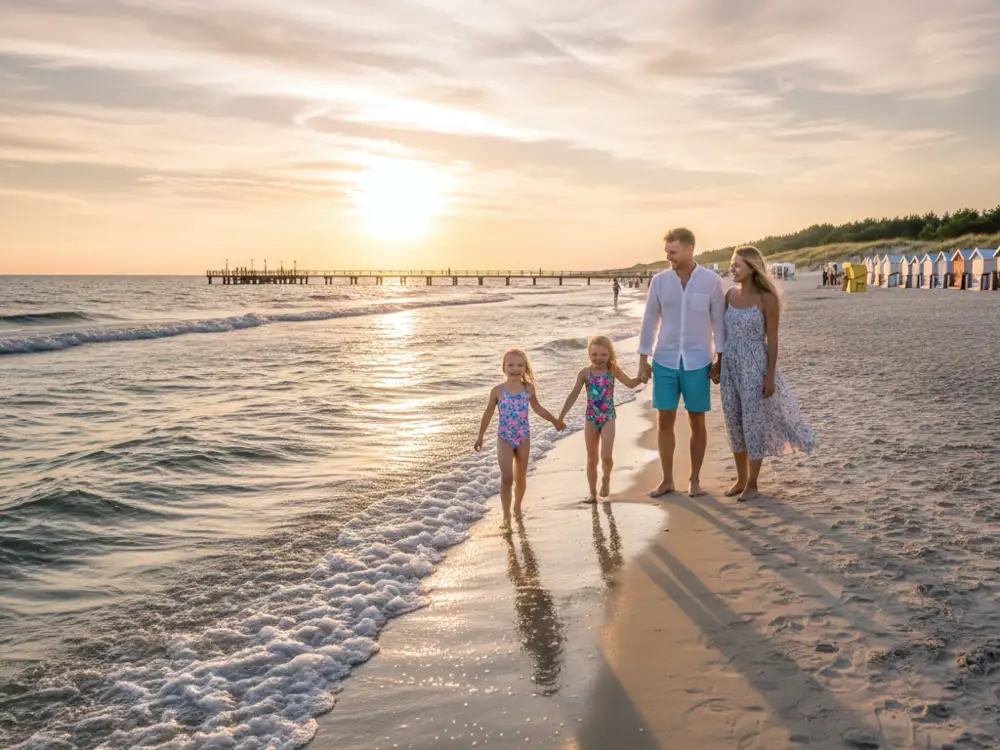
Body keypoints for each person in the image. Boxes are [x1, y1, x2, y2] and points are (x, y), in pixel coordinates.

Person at [714, 246, 817, 502]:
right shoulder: (728, 295)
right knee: (734, 422)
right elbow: (723, 335)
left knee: (752, 423)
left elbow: (773, 340)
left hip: (754, 365)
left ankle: (752, 482)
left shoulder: (766, 298)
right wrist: (718, 362)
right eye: (732, 264)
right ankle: (740, 478)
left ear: (752, 267)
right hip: (730, 367)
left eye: (737, 265)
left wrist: (769, 375)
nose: (732, 269)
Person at [639, 227, 725, 498]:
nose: (669, 257)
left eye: (673, 252)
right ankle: (666, 480)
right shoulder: (660, 281)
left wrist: (720, 357)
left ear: (689, 249)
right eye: (667, 252)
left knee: (696, 419)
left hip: (699, 360)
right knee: (664, 419)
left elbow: (719, 321)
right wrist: (643, 358)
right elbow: (650, 320)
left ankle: (695, 480)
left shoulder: (711, 281)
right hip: (664, 359)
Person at [475, 348, 565, 531]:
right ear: (503, 367)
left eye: (519, 365)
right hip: (504, 437)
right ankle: (507, 516)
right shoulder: (497, 391)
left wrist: (555, 421)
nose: (515, 368)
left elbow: (538, 409)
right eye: (510, 365)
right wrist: (480, 435)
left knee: (520, 477)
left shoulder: (528, 389)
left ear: (525, 368)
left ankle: (517, 506)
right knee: (507, 477)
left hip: (523, 437)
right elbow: (488, 414)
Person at [557, 335, 645, 503]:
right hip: (591, 418)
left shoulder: (613, 370)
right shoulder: (585, 373)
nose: (598, 358)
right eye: (594, 354)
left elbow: (630, 384)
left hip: (608, 417)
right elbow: (573, 395)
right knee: (592, 458)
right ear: (589, 354)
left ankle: (605, 477)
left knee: (606, 456)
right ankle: (592, 493)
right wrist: (560, 417)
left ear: (610, 355)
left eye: (603, 355)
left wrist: (641, 377)